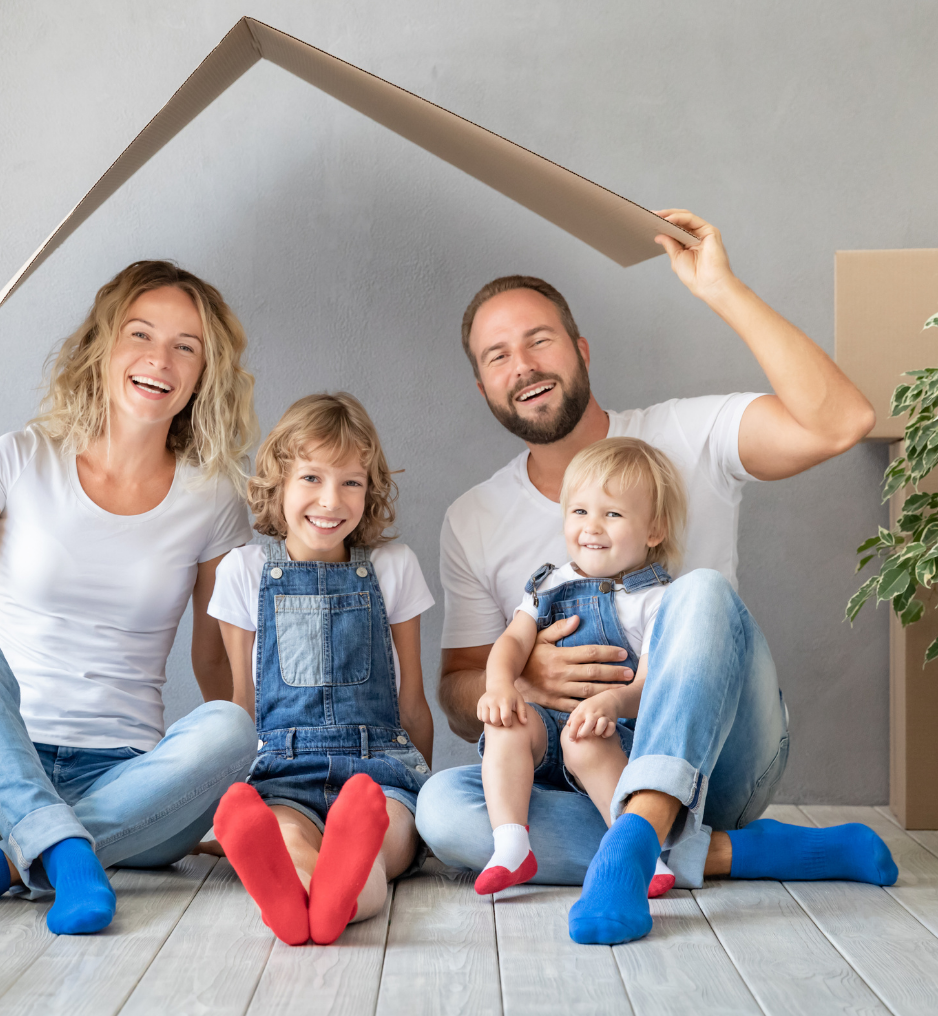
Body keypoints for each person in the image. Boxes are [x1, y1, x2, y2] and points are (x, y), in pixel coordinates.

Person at [415, 211, 898, 945]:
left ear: (579, 349)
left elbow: (842, 421)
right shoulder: (474, 516)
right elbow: (457, 694)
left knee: (699, 590)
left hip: (728, 758)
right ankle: (717, 849)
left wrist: (721, 288)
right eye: (497, 355)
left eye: (538, 339)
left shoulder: (687, 434)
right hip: (583, 762)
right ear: (482, 383)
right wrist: (525, 675)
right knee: (445, 810)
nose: (523, 366)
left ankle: (638, 843)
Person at [0, 260, 260, 934]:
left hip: (132, 790)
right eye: (140, 335)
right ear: (104, 347)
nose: (159, 359)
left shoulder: (212, 499)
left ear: (204, 373)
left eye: (185, 346)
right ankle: (59, 854)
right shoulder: (24, 457)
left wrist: (239, 772)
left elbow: (217, 667)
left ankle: (0, 866)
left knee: (232, 726)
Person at [208, 393, 435, 946]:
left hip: (379, 767)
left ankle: (333, 893)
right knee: (285, 835)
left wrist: (421, 787)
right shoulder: (244, 571)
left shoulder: (392, 566)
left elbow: (411, 700)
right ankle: (302, 895)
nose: (331, 500)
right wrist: (230, 782)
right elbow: (243, 705)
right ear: (278, 483)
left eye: (351, 482)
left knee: (385, 837)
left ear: (369, 490)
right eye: (311, 478)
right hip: (284, 767)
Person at [475, 439, 684, 900]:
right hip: (549, 734)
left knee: (585, 737)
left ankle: (637, 851)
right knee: (508, 724)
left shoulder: (657, 599)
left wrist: (612, 700)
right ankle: (511, 844)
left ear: (653, 530)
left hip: (616, 738)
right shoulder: (550, 584)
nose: (592, 527)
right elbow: (513, 640)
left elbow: (654, 685)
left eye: (612, 514)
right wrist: (500, 685)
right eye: (579, 512)